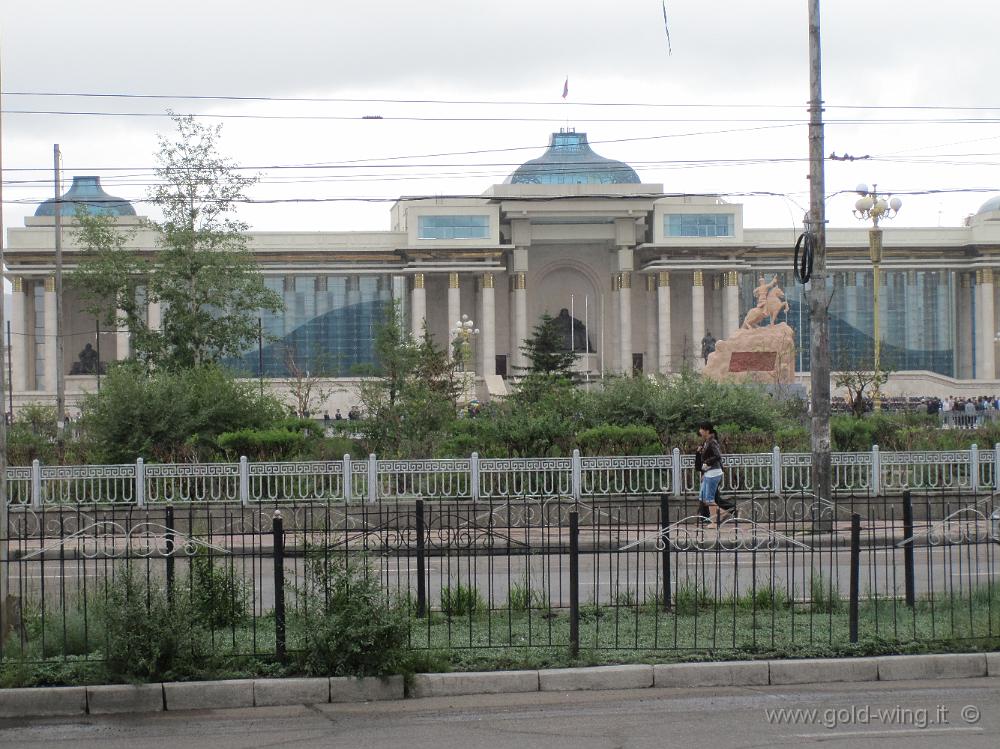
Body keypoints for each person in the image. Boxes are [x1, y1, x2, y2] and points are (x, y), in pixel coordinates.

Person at [694, 422, 729, 525]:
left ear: (707, 431)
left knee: (709, 499)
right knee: (704, 499)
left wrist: (707, 463)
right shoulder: (706, 442)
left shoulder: (712, 442)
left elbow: (718, 456)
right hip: (709, 473)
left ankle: (714, 522)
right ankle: (722, 513)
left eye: (701, 429)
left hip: (714, 473)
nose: (700, 431)